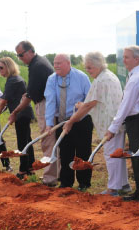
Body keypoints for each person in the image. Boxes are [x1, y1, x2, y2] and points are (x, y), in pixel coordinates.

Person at [64, 52, 125, 196]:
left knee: (111, 156)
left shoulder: (100, 80)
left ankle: (113, 189)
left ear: (98, 65)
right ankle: (123, 185)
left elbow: (88, 106)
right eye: (87, 68)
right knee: (118, 154)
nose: (89, 71)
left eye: (90, 68)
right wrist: (83, 106)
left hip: (109, 124)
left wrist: (71, 121)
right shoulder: (110, 75)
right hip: (116, 122)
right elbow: (92, 102)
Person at [106, 45, 139, 203]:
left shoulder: (137, 77)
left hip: (138, 121)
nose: (123, 60)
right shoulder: (135, 75)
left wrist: (113, 128)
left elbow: (126, 105)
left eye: (126, 57)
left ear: (136, 59)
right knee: (137, 156)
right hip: (136, 121)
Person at [10, 41, 57, 186]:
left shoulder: (37, 66)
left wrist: (16, 111)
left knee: (47, 141)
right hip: (46, 103)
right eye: (17, 56)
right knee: (51, 141)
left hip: (45, 105)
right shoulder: (37, 63)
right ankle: (55, 174)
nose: (20, 58)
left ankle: (50, 178)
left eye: (21, 54)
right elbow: (30, 92)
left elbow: (30, 96)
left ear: (30, 51)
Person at [44, 54, 92, 190]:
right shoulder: (51, 80)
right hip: (62, 122)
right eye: (55, 63)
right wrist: (49, 123)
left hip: (81, 120)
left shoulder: (81, 77)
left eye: (59, 63)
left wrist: (80, 107)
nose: (56, 65)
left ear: (68, 63)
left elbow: (90, 100)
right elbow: (50, 101)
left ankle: (84, 183)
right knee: (65, 153)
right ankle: (66, 183)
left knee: (83, 152)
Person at [0, 57, 35, 177]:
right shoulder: (15, 79)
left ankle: (23, 170)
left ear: (8, 67)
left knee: (22, 143)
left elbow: (4, 101)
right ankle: (30, 167)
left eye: (1, 67)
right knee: (27, 140)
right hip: (23, 113)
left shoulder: (12, 80)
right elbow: (7, 100)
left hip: (21, 114)